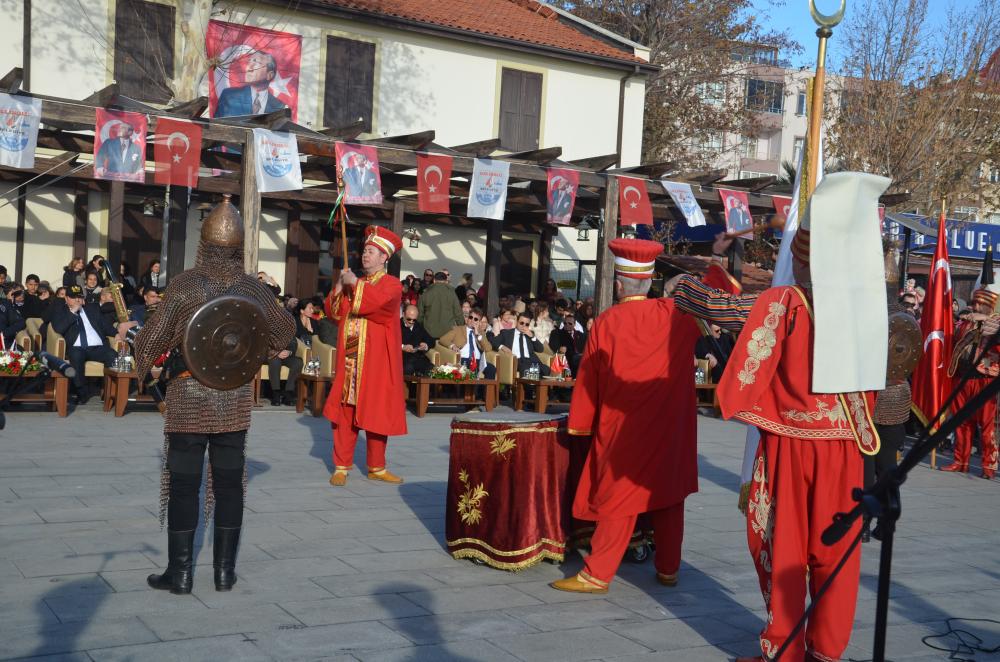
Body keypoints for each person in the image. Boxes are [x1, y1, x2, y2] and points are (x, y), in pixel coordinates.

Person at [706, 173, 891, 662]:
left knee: (787, 546)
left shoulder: (784, 302)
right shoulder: (866, 311)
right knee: (837, 551)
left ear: (802, 258)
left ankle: (784, 646)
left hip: (791, 442)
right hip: (847, 444)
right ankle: (828, 649)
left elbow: (746, 363)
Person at [134, 196, 294, 595]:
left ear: (203, 244)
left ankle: (181, 574)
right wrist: (256, 355)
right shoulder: (252, 288)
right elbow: (285, 329)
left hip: (189, 393)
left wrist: (145, 366)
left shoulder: (186, 284)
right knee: (229, 485)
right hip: (234, 396)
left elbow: (150, 342)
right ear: (237, 247)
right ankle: (224, 573)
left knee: (185, 485)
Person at [551, 239, 700, 595]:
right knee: (668, 494)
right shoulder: (678, 314)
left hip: (625, 426)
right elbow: (723, 293)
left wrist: (580, 424)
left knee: (619, 497)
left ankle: (597, 573)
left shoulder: (607, 322)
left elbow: (590, 378)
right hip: (672, 426)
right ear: (649, 281)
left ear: (619, 284)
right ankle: (668, 568)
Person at [324, 226, 407, 487]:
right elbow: (336, 315)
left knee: (376, 412)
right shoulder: (354, 283)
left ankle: (377, 466)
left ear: (384, 258)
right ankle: (341, 465)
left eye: (371, 252)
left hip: (376, 363)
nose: (365, 255)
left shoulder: (392, 285)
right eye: (364, 251)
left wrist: (353, 284)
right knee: (345, 413)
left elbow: (373, 305)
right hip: (350, 360)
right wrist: (339, 285)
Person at [943, 286, 999, 479]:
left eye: (980, 304)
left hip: (985, 380)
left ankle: (988, 466)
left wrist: (986, 323)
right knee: (961, 423)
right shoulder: (965, 323)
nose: (976, 306)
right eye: (975, 302)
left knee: (986, 427)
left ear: (989, 306)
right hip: (962, 378)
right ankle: (960, 462)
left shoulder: (996, 322)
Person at [49, 285, 117, 404]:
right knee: (76, 355)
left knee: (112, 355)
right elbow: (59, 328)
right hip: (77, 347)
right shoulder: (61, 311)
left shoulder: (92, 309)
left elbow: (105, 326)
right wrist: (73, 312)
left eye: (79, 297)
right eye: (73, 297)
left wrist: (116, 334)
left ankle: (110, 393)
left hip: (97, 347)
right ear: (66, 298)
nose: (77, 300)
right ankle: (81, 392)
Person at [215, 51, 287, 117]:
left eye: (256, 62)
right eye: (249, 61)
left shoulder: (279, 106)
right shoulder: (229, 96)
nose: (249, 67)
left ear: (269, 75)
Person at [439, 307, 495, 378]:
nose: (472, 320)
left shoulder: (481, 333)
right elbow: (443, 339)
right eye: (470, 317)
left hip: (477, 361)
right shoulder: (458, 329)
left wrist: (478, 335)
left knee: (491, 368)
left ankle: (483, 389)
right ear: (467, 319)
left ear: (479, 322)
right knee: (469, 370)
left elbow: (488, 348)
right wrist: (452, 346)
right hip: (463, 360)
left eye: (475, 319)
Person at [488, 311, 549, 377]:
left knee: (547, 369)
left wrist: (532, 337)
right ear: (516, 322)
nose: (524, 326)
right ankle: (533, 380)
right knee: (525, 368)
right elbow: (491, 340)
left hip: (531, 361)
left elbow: (540, 349)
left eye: (527, 324)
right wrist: (502, 346)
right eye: (521, 323)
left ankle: (534, 377)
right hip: (518, 361)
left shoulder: (530, 335)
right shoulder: (507, 333)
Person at [417, 271, 464, 339]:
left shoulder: (426, 293)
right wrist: (462, 329)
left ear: (434, 280)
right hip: (448, 333)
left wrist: (421, 330)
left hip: (429, 332)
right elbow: (458, 314)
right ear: (445, 281)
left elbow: (420, 315)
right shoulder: (452, 293)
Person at [267, 333, 303, 407]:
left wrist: (289, 352)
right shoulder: (268, 327)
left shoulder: (288, 327)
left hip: (287, 356)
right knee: (275, 361)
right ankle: (276, 393)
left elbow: (293, 343)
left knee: (298, 363)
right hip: (272, 355)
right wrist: (276, 353)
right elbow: (264, 344)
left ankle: (288, 393)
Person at [400, 304, 435, 375]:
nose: (411, 322)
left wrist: (425, 345)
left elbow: (431, 341)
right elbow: (390, 343)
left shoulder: (418, 326)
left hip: (418, 358)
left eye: (414, 320)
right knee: (409, 368)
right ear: (403, 314)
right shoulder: (396, 325)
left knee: (432, 369)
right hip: (402, 359)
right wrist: (403, 347)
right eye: (409, 319)